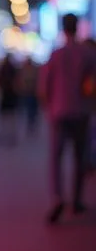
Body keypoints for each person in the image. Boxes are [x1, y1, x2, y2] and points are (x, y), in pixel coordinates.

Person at [38, 13, 96, 224]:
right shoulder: (88, 54)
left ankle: (57, 198)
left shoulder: (56, 55)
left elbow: (44, 87)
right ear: (78, 27)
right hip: (81, 110)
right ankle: (77, 200)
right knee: (80, 157)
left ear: (63, 28)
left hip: (59, 111)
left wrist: (48, 108)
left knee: (56, 157)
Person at [0, 53, 19, 145]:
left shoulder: (3, 68)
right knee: (11, 115)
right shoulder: (12, 68)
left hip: (5, 94)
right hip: (11, 94)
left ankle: (3, 134)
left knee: (4, 116)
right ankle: (11, 135)